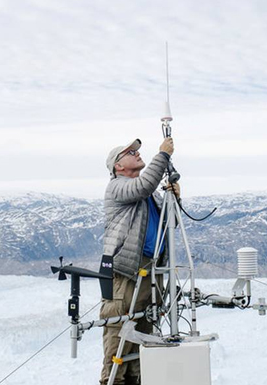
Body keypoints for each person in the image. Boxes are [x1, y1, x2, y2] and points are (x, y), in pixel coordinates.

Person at [99, 137, 180, 385]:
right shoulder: (117, 186)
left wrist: (175, 199)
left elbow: (170, 224)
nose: (136, 153)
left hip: (151, 269)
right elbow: (143, 186)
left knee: (144, 329)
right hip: (127, 270)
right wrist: (163, 155)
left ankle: (136, 379)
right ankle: (112, 380)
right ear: (118, 166)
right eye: (129, 152)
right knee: (120, 326)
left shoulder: (150, 196)